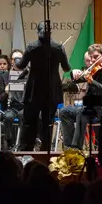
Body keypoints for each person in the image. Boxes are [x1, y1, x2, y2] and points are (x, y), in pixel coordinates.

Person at [16, 24, 71, 152]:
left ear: (37, 32)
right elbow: (67, 68)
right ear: (50, 32)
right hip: (51, 89)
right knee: (48, 122)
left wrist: (20, 62)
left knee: (29, 122)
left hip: (34, 89)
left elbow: (21, 65)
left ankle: (26, 151)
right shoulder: (58, 47)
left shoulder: (31, 47)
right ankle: (46, 151)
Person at [59, 43, 102, 150]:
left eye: (96, 57)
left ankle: (76, 148)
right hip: (92, 108)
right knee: (65, 112)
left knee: (82, 112)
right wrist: (73, 73)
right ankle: (68, 147)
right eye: (91, 57)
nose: (92, 60)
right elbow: (77, 79)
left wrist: (92, 81)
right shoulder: (94, 70)